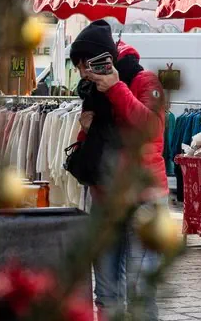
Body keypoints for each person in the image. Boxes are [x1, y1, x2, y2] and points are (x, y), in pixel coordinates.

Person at [69, 20, 167, 320]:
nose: (84, 72)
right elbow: (92, 149)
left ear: (104, 58)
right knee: (106, 289)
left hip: (143, 198)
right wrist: (86, 129)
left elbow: (153, 127)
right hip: (105, 198)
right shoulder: (93, 93)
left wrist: (116, 88)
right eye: (80, 67)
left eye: (87, 64)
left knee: (140, 290)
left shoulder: (144, 81)